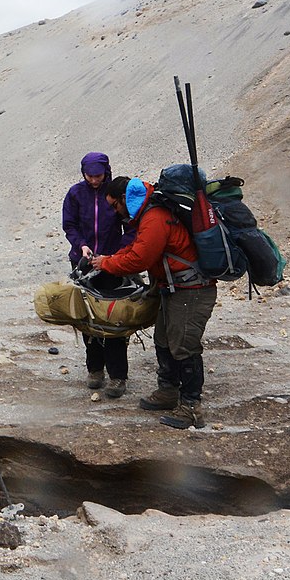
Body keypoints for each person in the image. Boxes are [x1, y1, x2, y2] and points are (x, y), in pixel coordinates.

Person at [86, 176, 216, 429]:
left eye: (115, 205)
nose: (115, 211)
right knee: (164, 340)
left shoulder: (154, 217)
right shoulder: (148, 215)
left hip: (191, 290)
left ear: (126, 199)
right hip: (174, 288)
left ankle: (191, 407)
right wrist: (109, 258)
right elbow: (137, 248)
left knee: (184, 346)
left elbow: (139, 259)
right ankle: (168, 391)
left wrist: (107, 264)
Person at [61, 151, 132, 398]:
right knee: (88, 317)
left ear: (106, 172)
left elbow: (130, 224)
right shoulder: (75, 194)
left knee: (114, 318)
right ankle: (95, 369)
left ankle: (118, 375)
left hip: (112, 263)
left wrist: (119, 254)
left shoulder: (115, 194)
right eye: (89, 176)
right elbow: (69, 225)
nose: (94, 180)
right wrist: (81, 244)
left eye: (98, 175)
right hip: (83, 262)